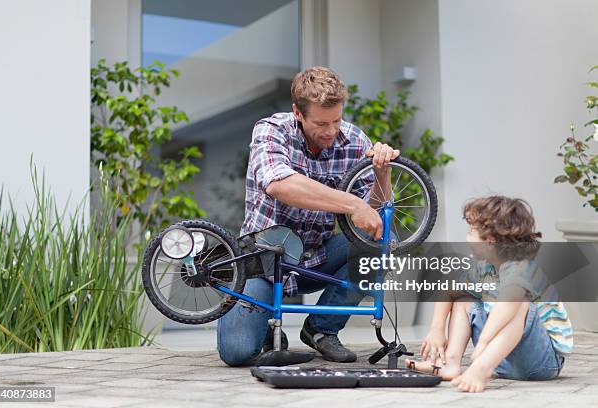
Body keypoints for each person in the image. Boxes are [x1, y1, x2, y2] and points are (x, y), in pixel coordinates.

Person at [217, 66, 400, 366]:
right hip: (263, 261)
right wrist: (352, 204)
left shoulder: (354, 140)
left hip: (316, 259)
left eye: (336, 120)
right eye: (320, 123)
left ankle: (321, 329)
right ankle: (265, 330)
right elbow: (279, 184)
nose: (330, 131)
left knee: (384, 239)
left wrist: (382, 176)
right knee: (237, 352)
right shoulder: (272, 130)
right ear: (298, 113)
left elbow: (376, 215)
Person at [406, 196, 573, 392]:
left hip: (541, 361)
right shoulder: (483, 269)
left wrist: (483, 344)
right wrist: (436, 328)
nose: (467, 238)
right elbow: (447, 291)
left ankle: (481, 369)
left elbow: (509, 303)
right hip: (501, 359)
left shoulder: (522, 268)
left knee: (519, 304)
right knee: (464, 299)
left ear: (490, 241)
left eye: (471, 232)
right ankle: (449, 364)